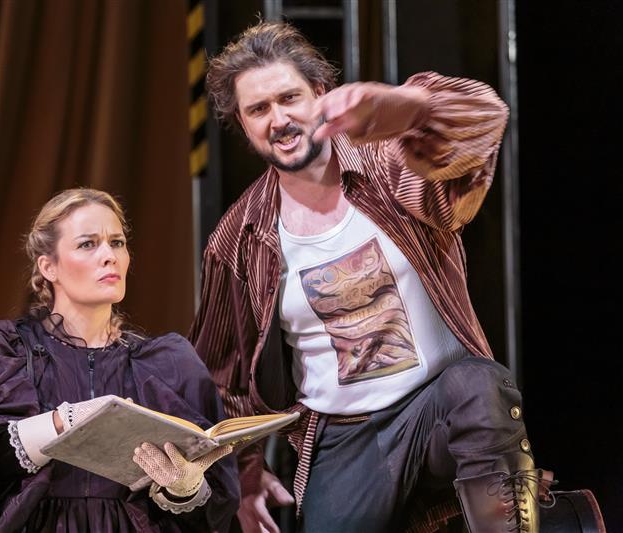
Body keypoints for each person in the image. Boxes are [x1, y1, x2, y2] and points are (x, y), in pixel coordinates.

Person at [190, 21, 548, 532]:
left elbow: (488, 118)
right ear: (243, 125)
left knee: (481, 384)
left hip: (439, 407)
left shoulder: (388, 167)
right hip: (347, 440)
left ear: (320, 92)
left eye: (289, 98)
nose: (279, 119)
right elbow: (222, 376)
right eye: (258, 109)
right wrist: (245, 474)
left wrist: (411, 106)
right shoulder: (239, 239)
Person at [0, 188, 239, 532]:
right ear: (49, 267)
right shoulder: (2, 353)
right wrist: (63, 422)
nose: (109, 256)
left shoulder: (168, 364)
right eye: (88, 244)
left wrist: (184, 489)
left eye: (117, 243)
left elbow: (213, 509)